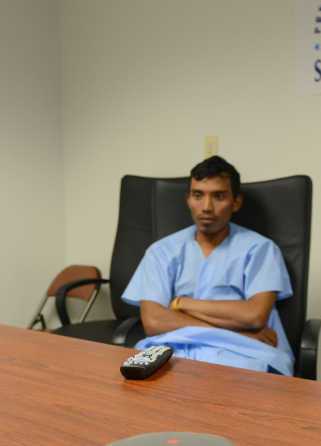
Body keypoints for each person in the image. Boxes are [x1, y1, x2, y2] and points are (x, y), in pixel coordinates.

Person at [122, 156, 294, 375]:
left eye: (219, 196)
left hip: (243, 354)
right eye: (198, 195)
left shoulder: (260, 249)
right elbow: (154, 321)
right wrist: (235, 332)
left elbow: (255, 315)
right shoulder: (161, 251)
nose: (206, 207)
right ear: (188, 200)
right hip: (173, 350)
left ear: (236, 202)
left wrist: (180, 303)